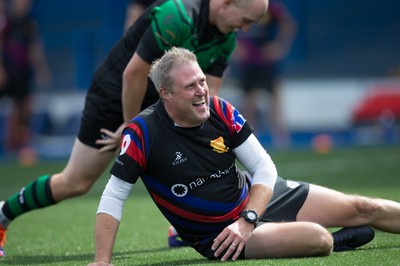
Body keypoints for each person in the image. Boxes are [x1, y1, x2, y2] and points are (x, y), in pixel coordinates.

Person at [0, 0, 272, 257]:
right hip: (115, 95)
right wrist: (133, 128)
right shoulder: (177, 16)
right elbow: (132, 74)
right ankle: (3, 215)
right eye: (246, 20)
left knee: (190, 162)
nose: (246, 28)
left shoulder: (227, 36)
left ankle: (183, 227)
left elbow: (207, 96)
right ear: (225, 3)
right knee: (76, 182)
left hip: (164, 103)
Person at [88, 47, 399, 265]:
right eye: (190, 87)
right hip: (219, 235)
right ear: (166, 94)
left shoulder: (221, 110)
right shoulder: (142, 133)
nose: (202, 91)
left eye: (202, 81)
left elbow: (264, 166)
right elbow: (114, 196)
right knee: (319, 239)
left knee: (364, 206)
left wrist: (250, 217)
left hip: (255, 201)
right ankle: (334, 240)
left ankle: (284, 229)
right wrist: (102, 261)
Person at [233, 0, 297, 149]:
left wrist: (280, 46)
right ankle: (249, 141)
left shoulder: (270, 7)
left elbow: (289, 25)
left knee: (274, 99)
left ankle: (281, 139)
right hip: (248, 62)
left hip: (267, 61)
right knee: (248, 103)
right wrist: (235, 48)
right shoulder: (238, 6)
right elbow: (227, 27)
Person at [0, 0, 51, 159]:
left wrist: (41, 69)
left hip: (23, 72)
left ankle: (19, 144)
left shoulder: (30, 22)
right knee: (14, 109)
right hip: (8, 71)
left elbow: (34, 47)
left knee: (25, 108)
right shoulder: (7, 21)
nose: (24, 4)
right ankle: (10, 144)